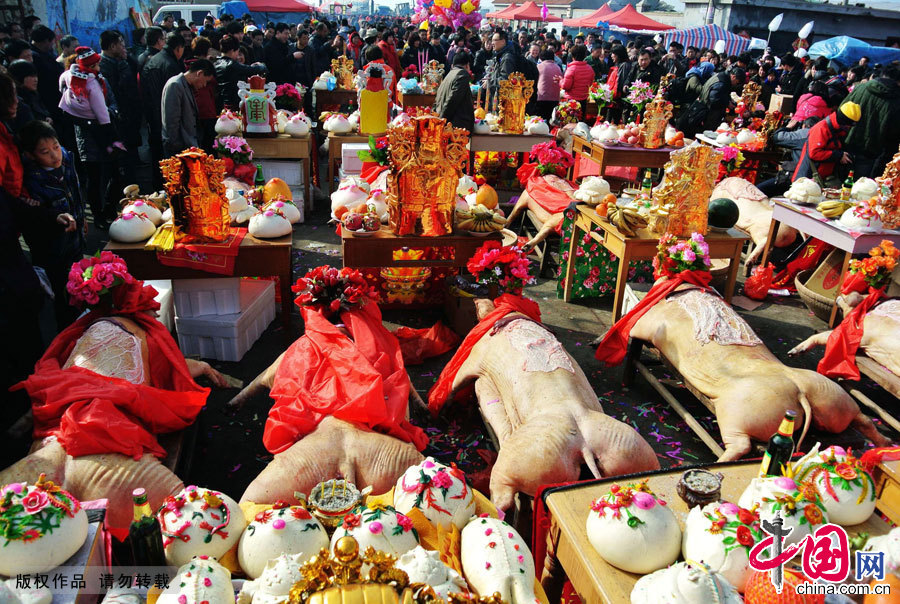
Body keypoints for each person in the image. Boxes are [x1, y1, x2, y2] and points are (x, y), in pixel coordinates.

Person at [0, 71, 46, 407]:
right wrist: (27, 207)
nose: (17, 103)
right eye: (11, 97)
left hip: (11, 227)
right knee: (22, 303)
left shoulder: (6, 132)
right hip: (5, 235)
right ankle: (27, 387)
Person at [18, 120, 85, 330]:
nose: (55, 155)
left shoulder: (66, 159)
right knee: (63, 296)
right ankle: (67, 336)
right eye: (45, 152)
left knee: (81, 286)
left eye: (56, 146)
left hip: (75, 240)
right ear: (30, 155)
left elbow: (76, 191)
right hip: (52, 249)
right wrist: (54, 217)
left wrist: (81, 219)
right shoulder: (29, 181)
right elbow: (36, 218)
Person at [59, 46, 124, 229]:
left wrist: (110, 112)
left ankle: (111, 209)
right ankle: (98, 215)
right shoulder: (74, 82)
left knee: (116, 173)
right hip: (88, 138)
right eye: (95, 65)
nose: (98, 68)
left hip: (107, 133)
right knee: (94, 179)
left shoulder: (100, 80)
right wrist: (93, 117)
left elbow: (111, 101)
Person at [142, 32, 185, 187]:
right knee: (168, 159)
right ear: (178, 48)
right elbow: (175, 99)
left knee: (157, 156)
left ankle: (158, 185)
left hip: (152, 115)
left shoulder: (152, 60)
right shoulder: (171, 66)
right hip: (165, 118)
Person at [99, 30, 142, 185]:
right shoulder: (102, 66)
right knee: (121, 159)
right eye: (121, 44)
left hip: (129, 116)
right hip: (116, 119)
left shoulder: (121, 61)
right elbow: (115, 92)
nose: (124, 47)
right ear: (112, 46)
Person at [842, 64, 900, 177]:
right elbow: (894, 133)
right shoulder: (896, 100)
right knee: (861, 188)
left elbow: (842, 110)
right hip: (872, 151)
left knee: (840, 184)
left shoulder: (860, 88)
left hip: (847, 143)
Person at [792, 102, 860, 184]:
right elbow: (814, 153)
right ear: (843, 121)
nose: (849, 128)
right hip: (807, 179)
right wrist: (838, 155)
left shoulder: (838, 130)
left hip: (822, 179)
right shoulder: (822, 128)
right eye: (849, 125)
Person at [161, 59, 214, 157]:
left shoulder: (186, 85)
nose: (204, 85)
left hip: (187, 146)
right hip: (178, 149)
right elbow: (171, 122)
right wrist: (177, 149)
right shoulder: (175, 85)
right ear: (199, 73)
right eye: (206, 81)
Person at [434, 51, 474, 133]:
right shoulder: (462, 74)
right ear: (467, 65)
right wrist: (443, 120)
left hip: (446, 122)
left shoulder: (449, 75)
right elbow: (453, 100)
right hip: (456, 126)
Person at [8, 60, 50, 124]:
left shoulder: (33, 93)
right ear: (19, 77)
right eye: (31, 76)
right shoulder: (17, 100)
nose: (36, 79)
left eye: (36, 76)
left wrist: (47, 117)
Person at [560, 44, 594, 110]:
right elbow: (590, 83)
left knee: (571, 119)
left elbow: (566, 86)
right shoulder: (589, 68)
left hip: (571, 100)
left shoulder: (571, 69)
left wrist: (560, 81)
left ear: (572, 56)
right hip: (583, 99)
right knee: (581, 119)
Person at [487, 30, 517, 100]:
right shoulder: (500, 55)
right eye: (492, 40)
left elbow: (505, 80)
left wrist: (489, 82)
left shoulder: (507, 58)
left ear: (503, 41)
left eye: (495, 40)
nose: (492, 43)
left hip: (503, 100)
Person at [536, 49, 562, 121]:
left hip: (541, 97)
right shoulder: (558, 67)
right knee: (552, 119)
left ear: (541, 57)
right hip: (555, 97)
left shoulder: (539, 66)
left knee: (541, 120)